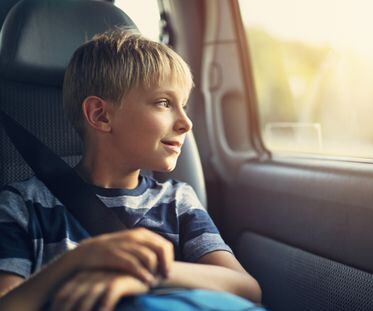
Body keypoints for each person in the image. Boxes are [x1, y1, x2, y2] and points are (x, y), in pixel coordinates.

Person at [0, 29, 262, 310]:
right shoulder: (22, 206)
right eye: (164, 103)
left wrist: (148, 276)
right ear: (101, 115)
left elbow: (246, 289)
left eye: (183, 106)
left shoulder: (177, 201)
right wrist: (78, 261)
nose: (186, 123)